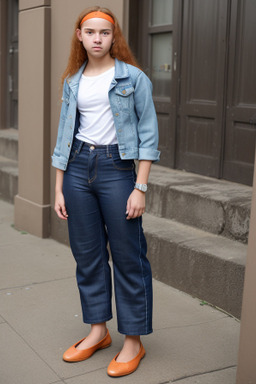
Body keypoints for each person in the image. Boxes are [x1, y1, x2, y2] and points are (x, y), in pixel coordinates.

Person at [52, 6, 160, 377]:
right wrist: (59, 187)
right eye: (90, 31)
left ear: (114, 37)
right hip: (78, 169)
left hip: (118, 170)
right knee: (87, 255)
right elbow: (64, 137)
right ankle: (98, 331)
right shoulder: (73, 80)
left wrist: (139, 187)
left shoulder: (133, 78)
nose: (97, 38)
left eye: (105, 32)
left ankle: (133, 339)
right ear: (79, 36)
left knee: (129, 255)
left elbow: (148, 134)